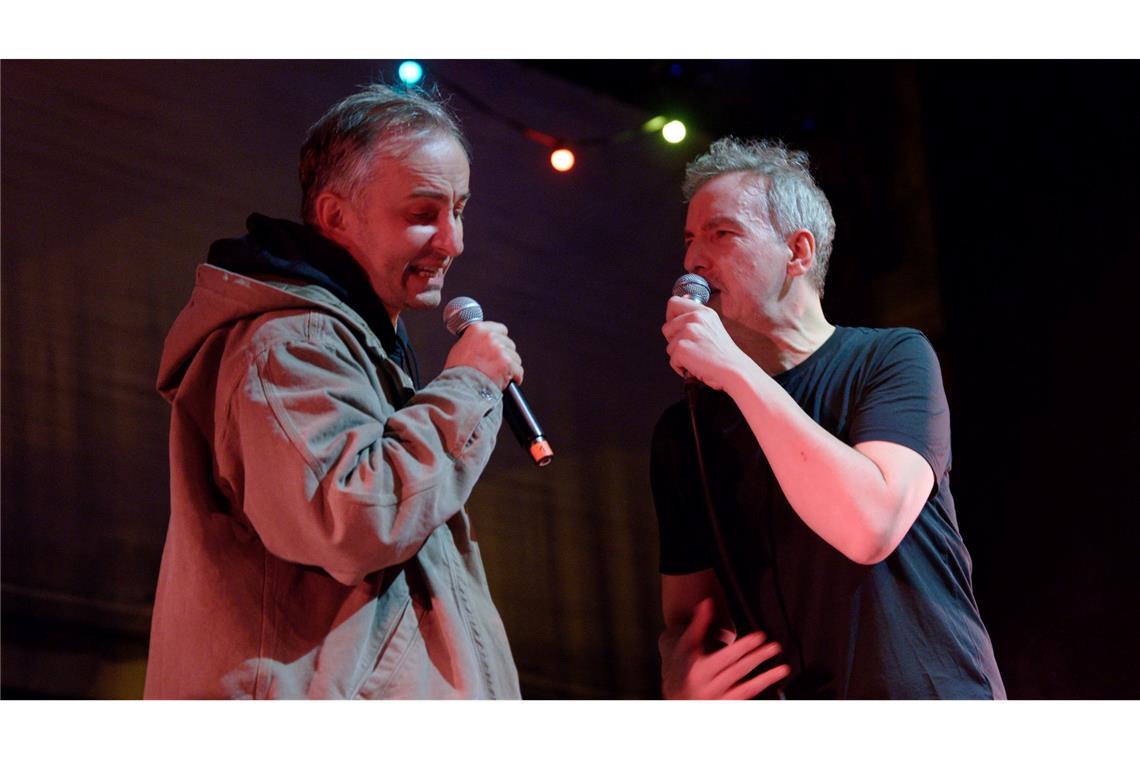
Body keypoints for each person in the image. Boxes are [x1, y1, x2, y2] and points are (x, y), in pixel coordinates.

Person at [145, 84, 522, 698]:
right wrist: (471, 386)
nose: (454, 242)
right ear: (334, 216)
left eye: (460, 209)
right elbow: (353, 518)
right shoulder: (289, 344)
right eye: (424, 213)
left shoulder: (354, 346)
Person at [651, 137, 1005, 699]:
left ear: (798, 252)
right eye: (690, 239)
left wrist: (737, 374)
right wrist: (682, 674)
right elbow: (688, 618)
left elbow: (871, 526)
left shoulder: (891, 359)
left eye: (722, 233)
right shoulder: (684, 431)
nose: (694, 259)